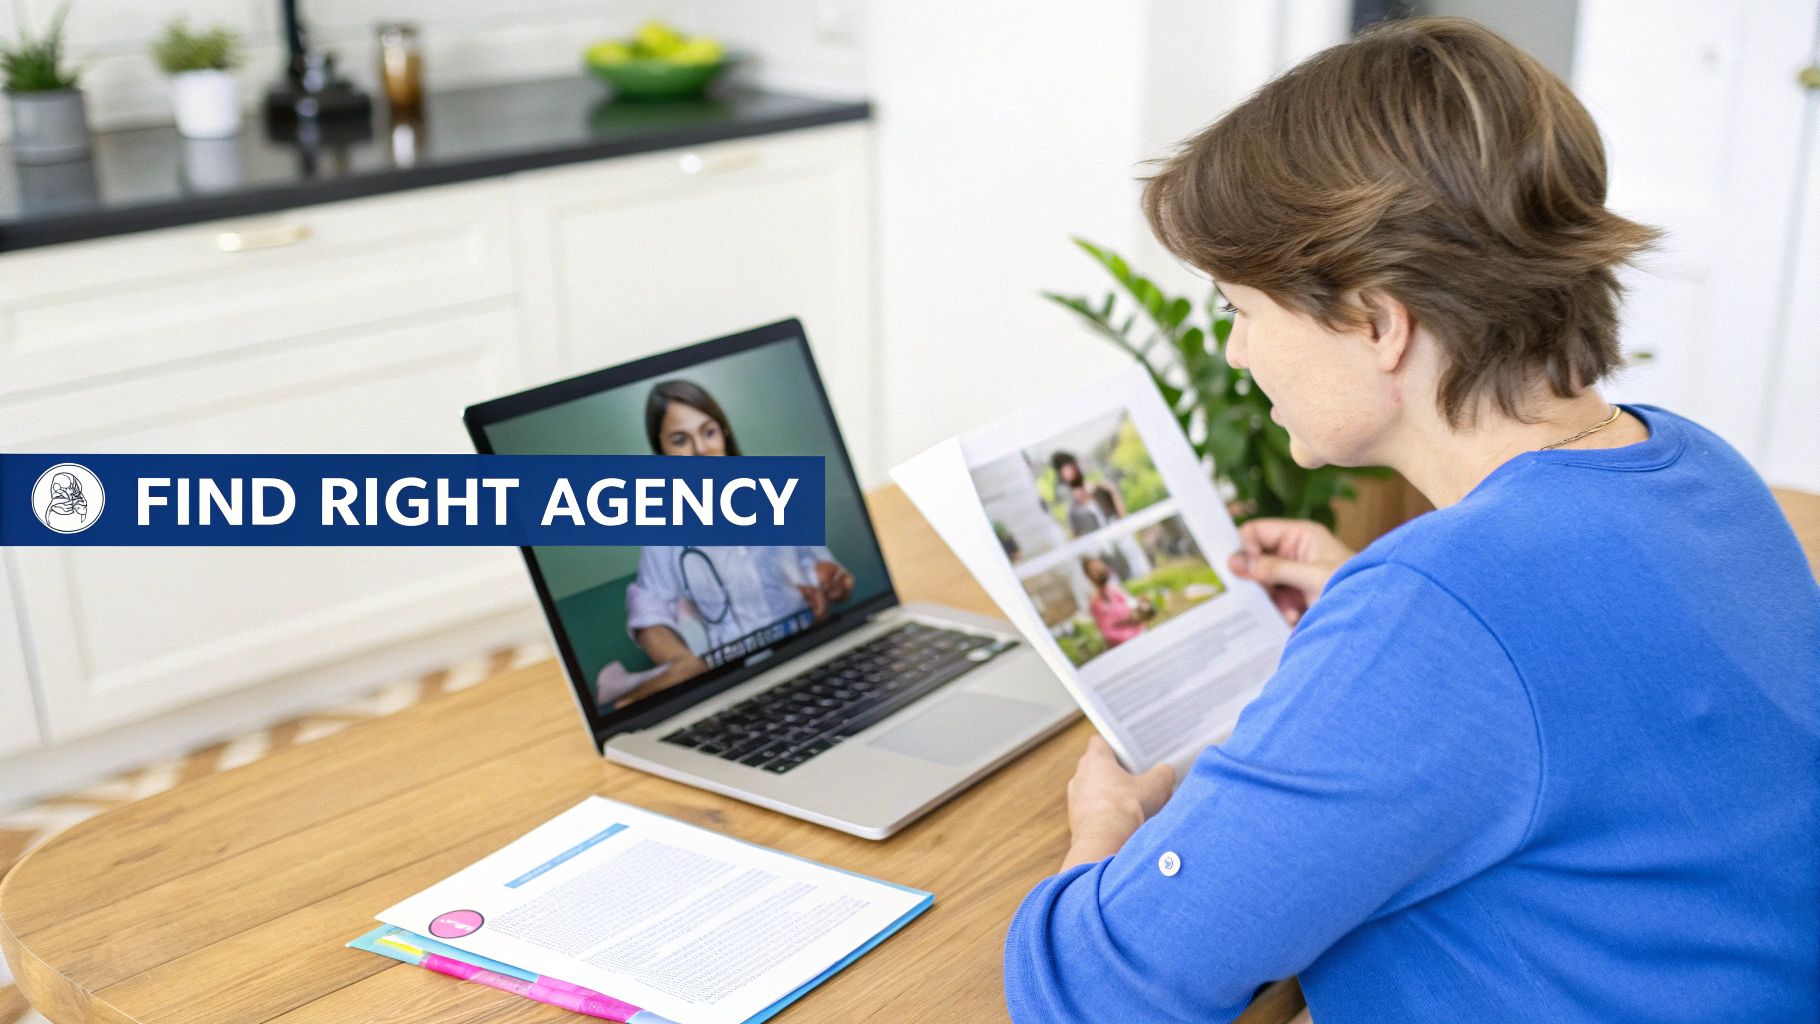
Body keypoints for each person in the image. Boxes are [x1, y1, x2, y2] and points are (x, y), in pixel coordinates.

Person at [1004, 17, 1819, 1024]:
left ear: (1376, 321)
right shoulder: (1699, 467)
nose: (1237, 353)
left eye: (1241, 310)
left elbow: (1094, 994)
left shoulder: (1441, 610)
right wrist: (1377, 615)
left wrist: (1103, 827)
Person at [611, 380, 854, 708]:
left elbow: (829, 576)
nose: (701, 450)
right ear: (662, 452)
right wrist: (682, 662)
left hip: (810, 656)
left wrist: (834, 585)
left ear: (724, 433)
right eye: (680, 440)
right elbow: (648, 611)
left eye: (709, 432)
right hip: (738, 686)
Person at [1082, 557, 1147, 649]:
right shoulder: (1096, 602)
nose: (1100, 569)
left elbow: (1130, 606)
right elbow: (1108, 632)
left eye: (1100, 566)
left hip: (1141, 636)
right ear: (1089, 575)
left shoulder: (1113, 590)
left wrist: (1139, 603)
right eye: (1095, 569)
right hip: (1127, 646)